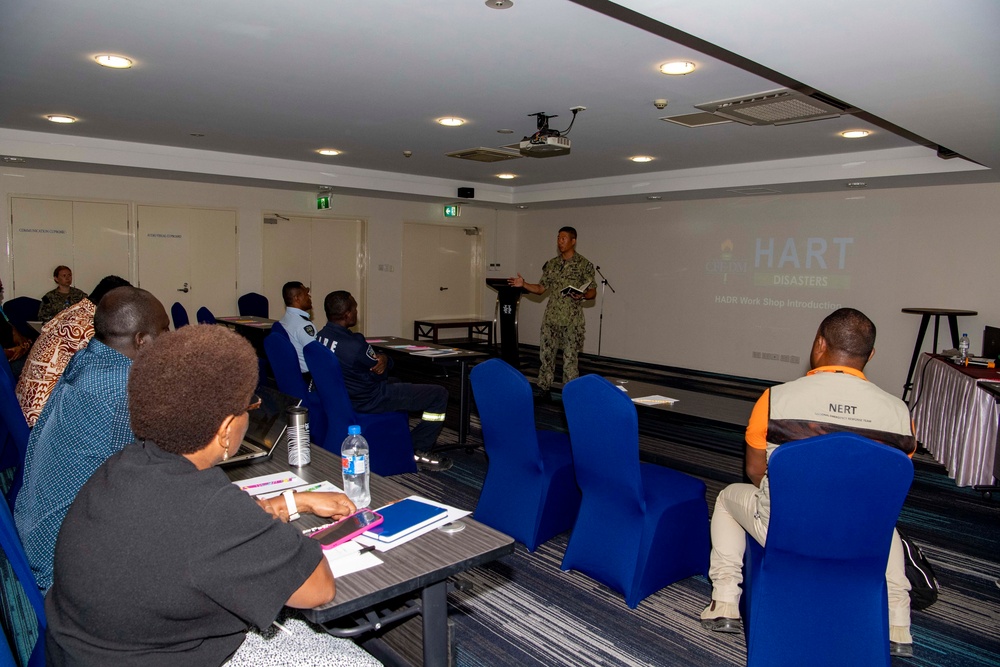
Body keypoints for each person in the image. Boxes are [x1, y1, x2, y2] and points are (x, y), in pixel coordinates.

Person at [45, 324, 380, 667]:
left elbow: (190, 534)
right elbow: (317, 588)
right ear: (224, 430)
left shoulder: (123, 464)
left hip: (83, 650)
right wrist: (282, 534)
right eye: (250, 404)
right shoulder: (210, 507)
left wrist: (291, 503)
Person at [699, 308, 917, 658]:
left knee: (726, 498)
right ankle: (897, 623)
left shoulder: (776, 399)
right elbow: (890, 486)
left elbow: (756, 471)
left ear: (819, 344)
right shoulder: (899, 413)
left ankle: (725, 600)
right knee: (885, 521)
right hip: (859, 532)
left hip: (786, 528)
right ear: (870, 355)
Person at [14, 286, 170, 592]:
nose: (170, 337)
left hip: (38, 535)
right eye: (164, 330)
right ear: (142, 340)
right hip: (65, 571)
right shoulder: (122, 390)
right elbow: (156, 478)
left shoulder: (89, 360)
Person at [317, 290, 452, 472]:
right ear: (347, 314)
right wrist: (386, 359)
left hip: (343, 397)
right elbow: (380, 372)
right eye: (355, 308)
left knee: (398, 382)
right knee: (438, 394)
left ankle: (400, 441)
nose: (357, 312)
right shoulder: (354, 345)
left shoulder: (320, 337)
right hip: (369, 399)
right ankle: (419, 449)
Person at [16, 275, 131, 426]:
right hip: (44, 420)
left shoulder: (74, 312)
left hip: (25, 411)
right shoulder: (89, 327)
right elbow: (111, 374)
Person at [508, 226, 596, 397]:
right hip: (551, 318)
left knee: (570, 360)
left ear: (573, 241)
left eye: (563, 238)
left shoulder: (584, 264)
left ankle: (571, 392)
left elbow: (593, 291)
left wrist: (583, 294)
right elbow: (541, 289)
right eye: (558, 238)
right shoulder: (552, 264)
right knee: (546, 356)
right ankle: (543, 388)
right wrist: (524, 284)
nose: (560, 241)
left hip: (572, 320)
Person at [278, 280, 316, 374]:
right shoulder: (303, 325)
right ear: (297, 298)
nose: (309, 297)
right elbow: (316, 355)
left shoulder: (283, 321)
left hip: (293, 372)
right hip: (308, 377)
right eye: (306, 294)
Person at [0, 278, 32, 378]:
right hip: (5, 363)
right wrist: (15, 351)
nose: (1, 296)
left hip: (13, 353)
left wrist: (23, 343)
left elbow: (10, 327)